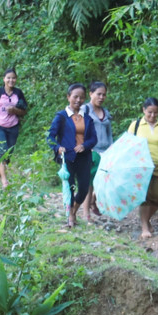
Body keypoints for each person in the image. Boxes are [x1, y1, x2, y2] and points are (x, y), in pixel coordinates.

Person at [47, 84, 96, 228]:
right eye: (75, 97)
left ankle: (73, 210)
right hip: (68, 157)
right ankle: (70, 217)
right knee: (70, 187)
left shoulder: (87, 118)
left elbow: (94, 138)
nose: (78, 100)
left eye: (81, 97)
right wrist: (57, 147)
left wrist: (84, 145)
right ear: (68, 97)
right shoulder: (61, 117)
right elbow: (50, 136)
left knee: (84, 189)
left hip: (84, 157)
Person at [127, 97, 158, 239]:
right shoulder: (136, 125)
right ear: (144, 110)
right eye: (149, 112)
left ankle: (146, 219)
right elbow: (128, 145)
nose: (152, 115)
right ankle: (144, 226)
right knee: (145, 197)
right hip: (141, 166)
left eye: (155, 112)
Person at [80, 81, 113, 221]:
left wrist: (112, 149)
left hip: (105, 152)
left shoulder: (106, 112)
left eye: (104, 95)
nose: (101, 97)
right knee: (88, 183)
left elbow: (109, 133)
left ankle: (94, 201)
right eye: (98, 94)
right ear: (91, 94)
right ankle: (85, 213)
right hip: (91, 151)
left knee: (104, 181)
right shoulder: (84, 110)